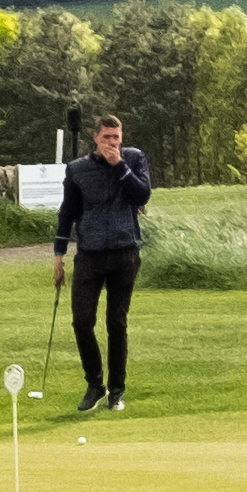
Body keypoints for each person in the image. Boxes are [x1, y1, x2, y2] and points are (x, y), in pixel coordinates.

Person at [51, 113, 155, 410]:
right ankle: (95, 384)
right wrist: (59, 255)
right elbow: (68, 211)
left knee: (116, 323)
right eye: (106, 137)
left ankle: (117, 390)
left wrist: (119, 165)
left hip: (125, 251)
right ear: (96, 137)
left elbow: (142, 194)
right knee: (82, 321)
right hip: (90, 253)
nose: (112, 143)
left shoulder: (133, 159)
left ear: (122, 138)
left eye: (116, 138)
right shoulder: (78, 169)